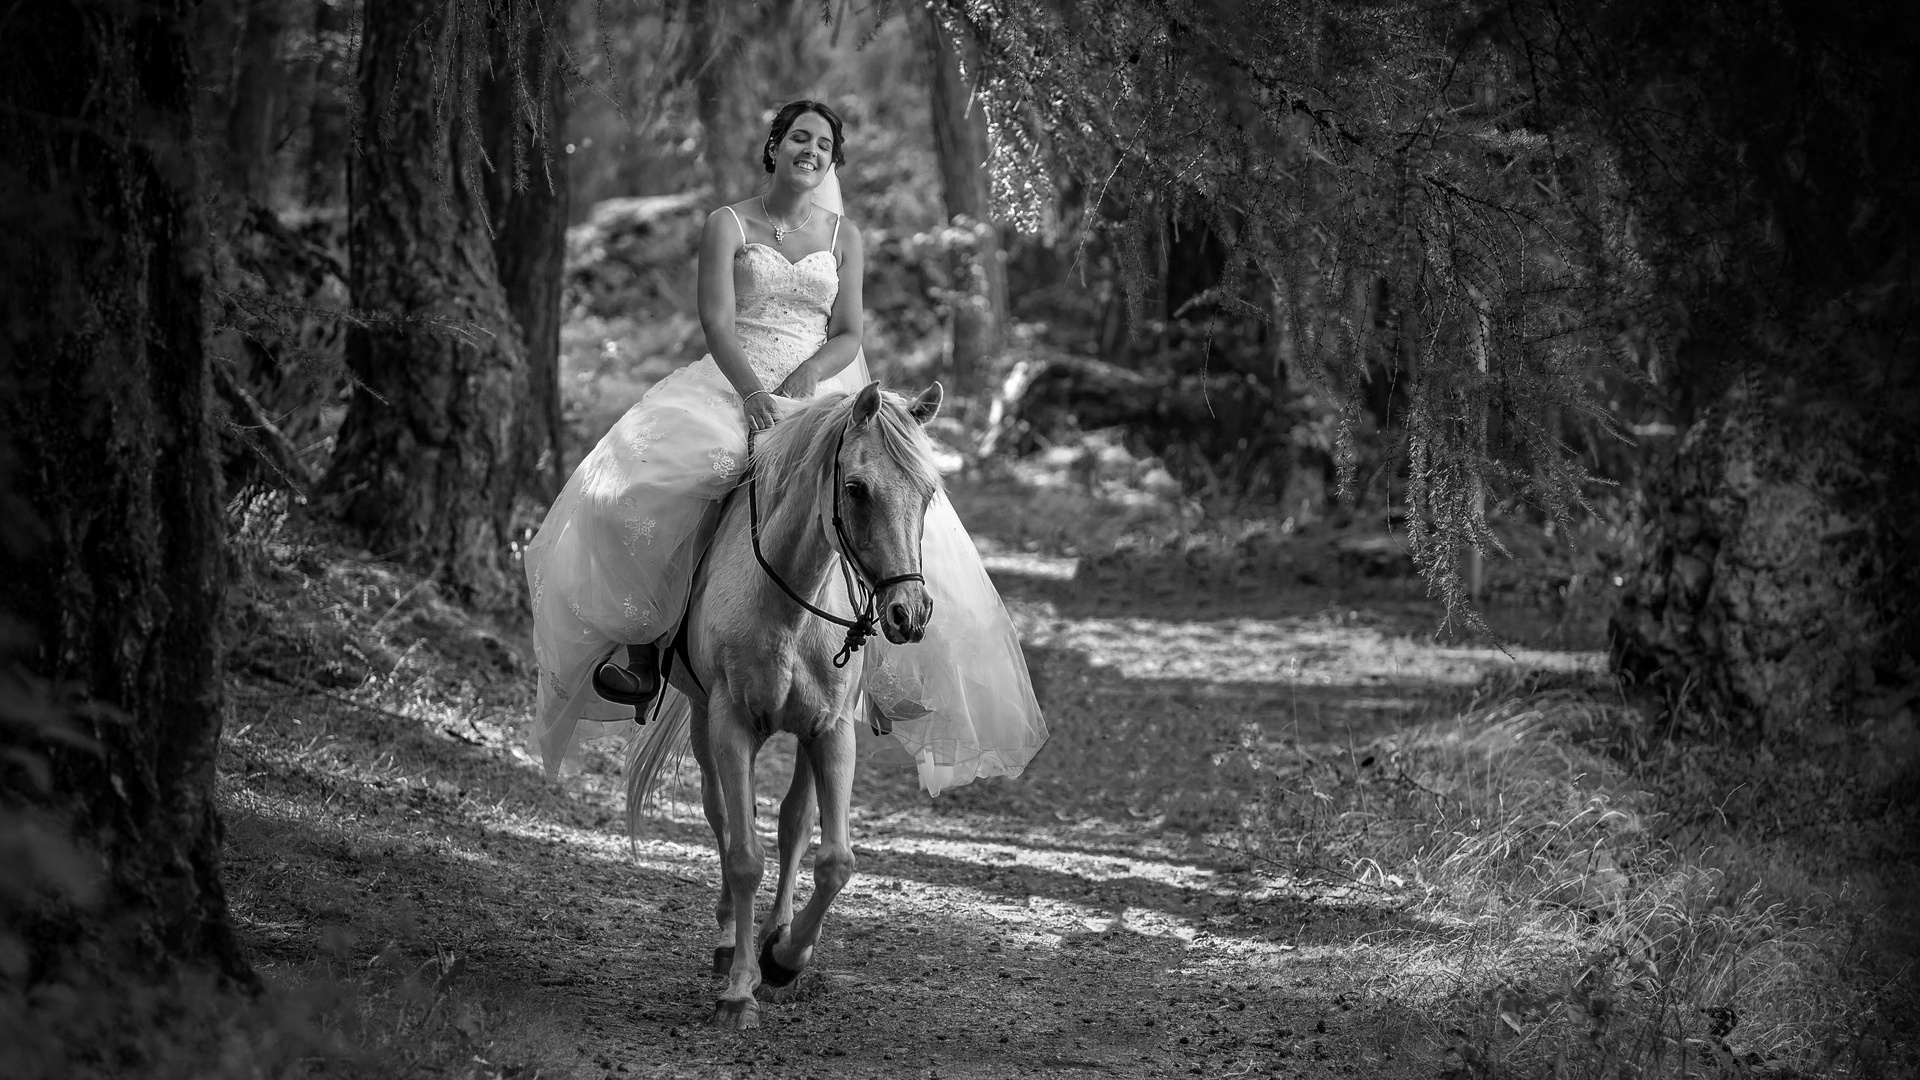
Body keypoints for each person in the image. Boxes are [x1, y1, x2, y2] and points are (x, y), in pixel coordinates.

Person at [525, 100, 1046, 795]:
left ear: (832, 161)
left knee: (893, 503)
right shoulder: (728, 224)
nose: (811, 150)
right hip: (733, 380)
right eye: (800, 137)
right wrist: (753, 394)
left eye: (824, 144)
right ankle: (650, 648)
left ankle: (884, 678)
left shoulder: (844, 234)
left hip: (821, 387)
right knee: (659, 487)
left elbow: (850, 333)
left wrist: (808, 377)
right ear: (773, 147)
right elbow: (715, 318)